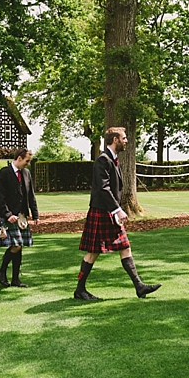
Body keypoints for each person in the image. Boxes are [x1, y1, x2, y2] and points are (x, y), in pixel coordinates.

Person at [74, 127, 161, 301]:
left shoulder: (114, 160)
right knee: (93, 252)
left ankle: (139, 286)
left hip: (108, 212)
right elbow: (103, 188)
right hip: (101, 211)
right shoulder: (103, 160)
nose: (126, 140)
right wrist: (117, 209)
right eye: (124, 138)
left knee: (124, 247)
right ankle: (80, 290)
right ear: (115, 139)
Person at [0, 149, 39, 288]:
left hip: (22, 216)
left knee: (19, 247)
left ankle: (15, 279)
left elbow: (30, 194)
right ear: (19, 158)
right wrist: (7, 214)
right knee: (17, 245)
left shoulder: (26, 173)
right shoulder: (4, 173)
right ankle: (1, 271)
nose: (28, 163)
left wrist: (35, 214)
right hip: (10, 216)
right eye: (27, 160)